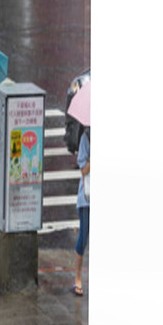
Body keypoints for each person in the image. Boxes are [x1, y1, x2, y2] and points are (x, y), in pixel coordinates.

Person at [73, 126, 90, 296]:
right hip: (87, 197)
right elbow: (83, 169)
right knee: (83, 237)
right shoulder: (87, 137)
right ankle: (77, 277)